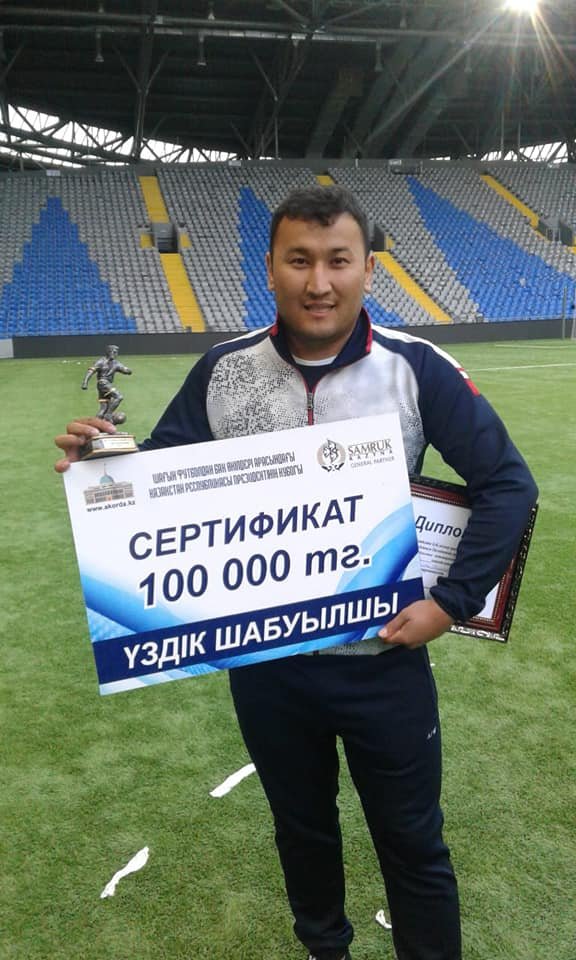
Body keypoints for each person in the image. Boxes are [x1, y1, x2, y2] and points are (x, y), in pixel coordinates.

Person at [55, 185, 538, 960]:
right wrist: (101, 466)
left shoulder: (415, 368)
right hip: (268, 666)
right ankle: (325, 950)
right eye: (300, 260)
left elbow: (509, 485)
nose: (319, 282)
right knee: (302, 830)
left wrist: (449, 603)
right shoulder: (223, 370)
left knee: (413, 842)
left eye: (338, 261)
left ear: (367, 269)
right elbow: (159, 481)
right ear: (271, 268)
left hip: (384, 662)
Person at [81, 343, 132, 424]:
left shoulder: (116, 363)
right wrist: (85, 382)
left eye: (116, 352)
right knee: (119, 397)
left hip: (106, 384)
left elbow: (125, 370)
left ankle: (96, 424)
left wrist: (128, 371)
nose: (114, 354)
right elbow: (91, 371)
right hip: (103, 383)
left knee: (104, 408)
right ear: (108, 352)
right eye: (113, 352)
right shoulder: (101, 361)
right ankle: (108, 415)